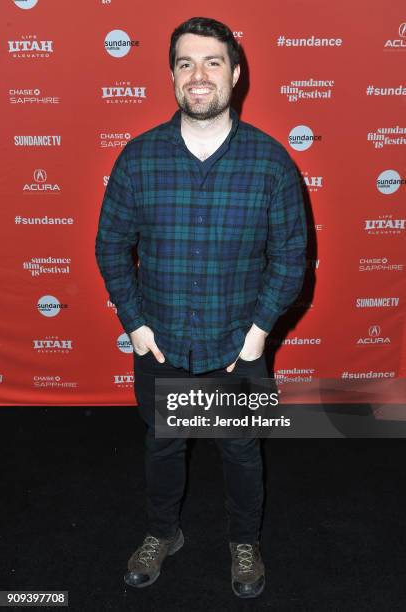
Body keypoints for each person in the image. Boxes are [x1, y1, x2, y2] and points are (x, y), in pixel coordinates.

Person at [95, 16, 307, 599]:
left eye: (213, 62)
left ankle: (245, 541)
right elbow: (110, 246)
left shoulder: (270, 163)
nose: (198, 74)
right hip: (161, 342)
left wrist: (259, 333)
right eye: (185, 63)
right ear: (172, 77)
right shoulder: (139, 159)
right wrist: (135, 325)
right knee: (162, 446)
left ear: (235, 75)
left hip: (238, 347)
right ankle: (163, 532)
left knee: (241, 451)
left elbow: (291, 256)